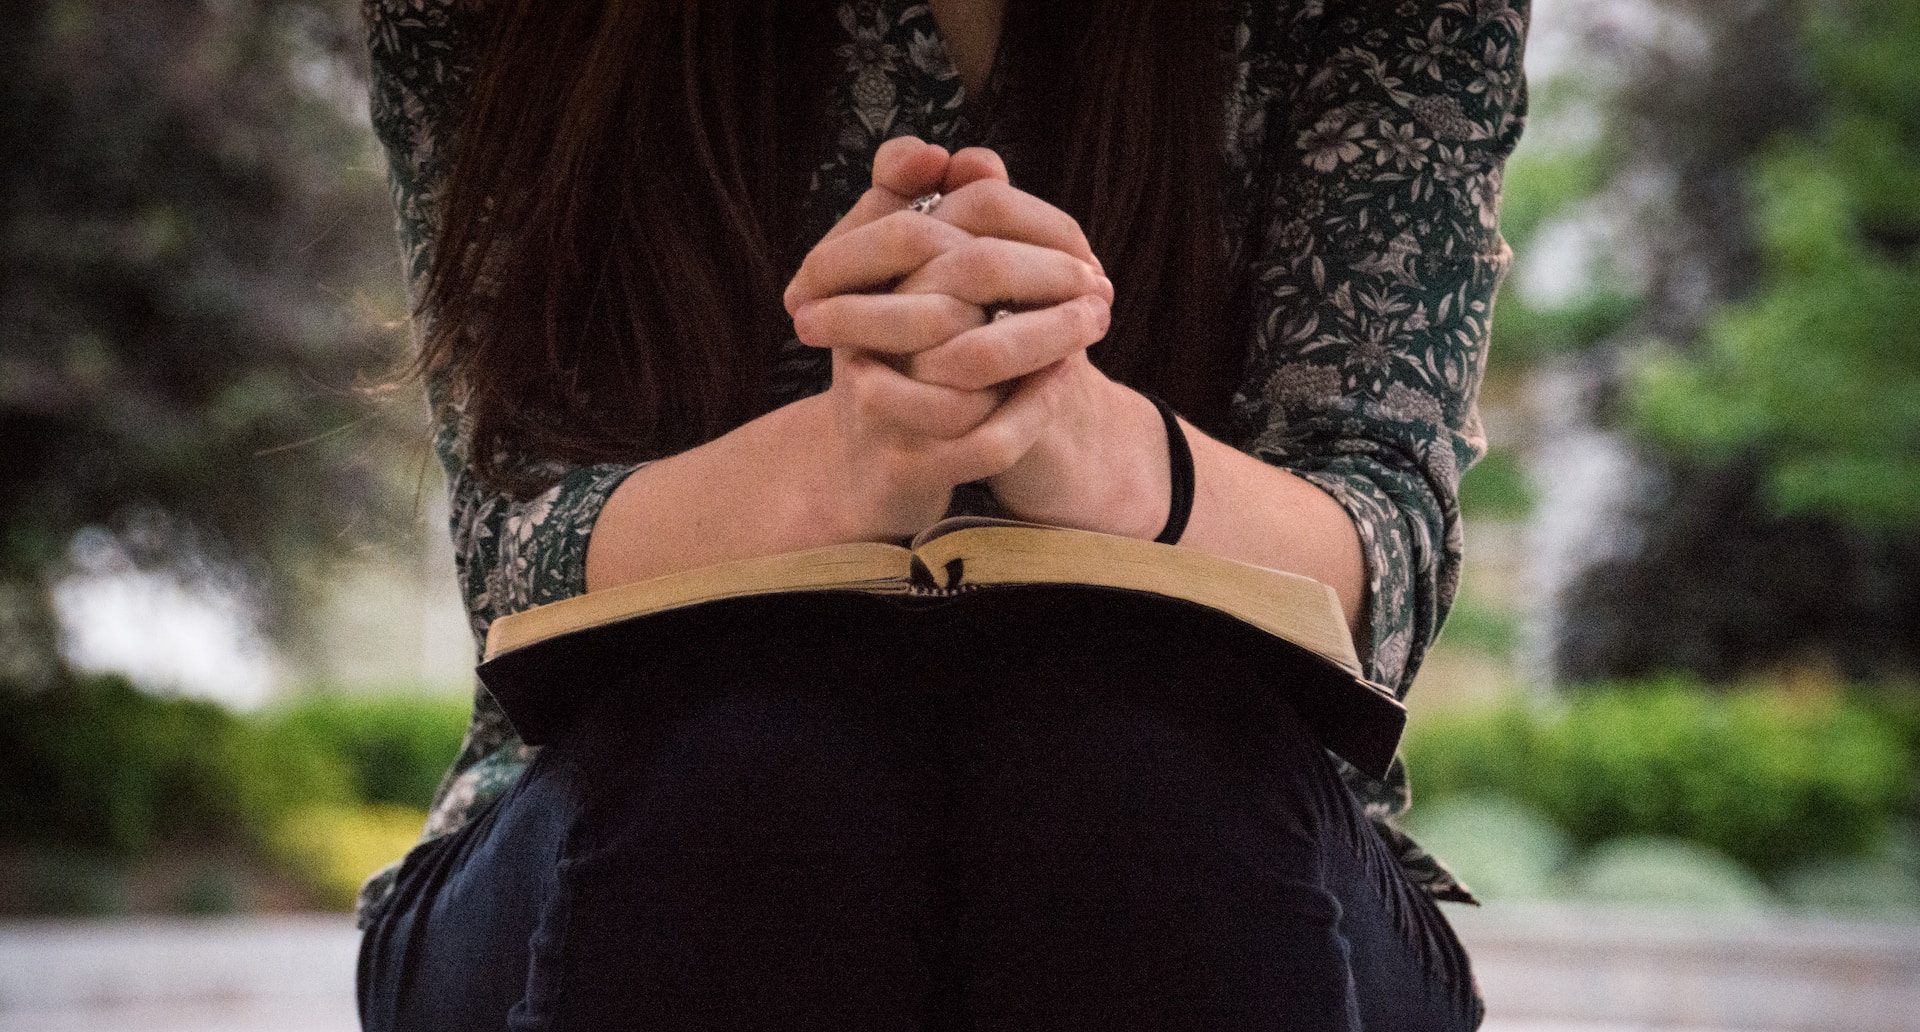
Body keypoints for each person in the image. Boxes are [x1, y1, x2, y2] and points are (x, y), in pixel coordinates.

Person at [353, 0, 1528, 1028]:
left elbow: (1386, 561)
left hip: (1221, 836)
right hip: (622, 822)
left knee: (1134, 782)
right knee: (754, 781)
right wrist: (838, 463)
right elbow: (512, 553)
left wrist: (1082, 437)